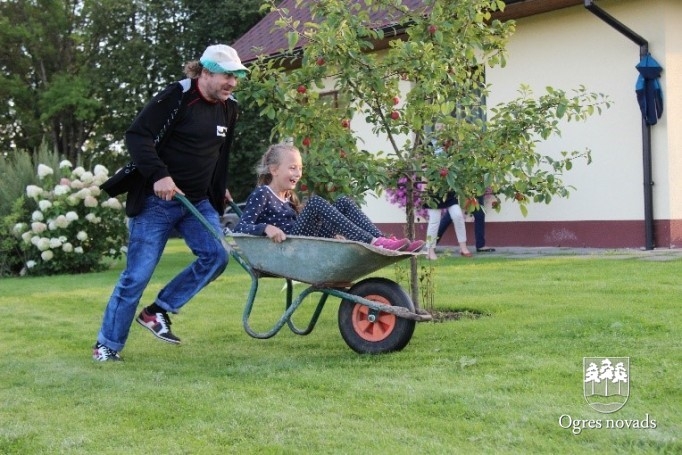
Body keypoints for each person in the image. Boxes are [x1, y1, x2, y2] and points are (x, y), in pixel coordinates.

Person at [92, 44, 248, 361]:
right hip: (156, 201)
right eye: (226, 75)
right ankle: (106, 345)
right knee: (136, 276)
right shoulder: (178, 96)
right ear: (205, 72)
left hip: (197, 201)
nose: (232, 82)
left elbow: (219, 155)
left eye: (236, 76)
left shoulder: (229, 108)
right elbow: (138, 136)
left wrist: (220, 188)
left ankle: (157, 311)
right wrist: (159, 175)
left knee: (217, 255)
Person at [233, 143, 424, 252]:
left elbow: (307, 227)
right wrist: (266, 227)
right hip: (289, 248)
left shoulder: (289, 197)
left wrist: (332, 235)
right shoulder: (263, 193)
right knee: (315, 203)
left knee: (343, 201)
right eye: (292, 168)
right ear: (273, 170)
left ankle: (383, 240)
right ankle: (376, 243)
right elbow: (240, 228)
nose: (298, 173)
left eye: (300, 168)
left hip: (301, 240)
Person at [424, 191, 471, 260]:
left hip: (448, 192)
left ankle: (463, 248)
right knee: (434, 221)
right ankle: (430, 251)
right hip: (433, 194)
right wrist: (425, 196)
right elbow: (425, 181)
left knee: (458, 215)